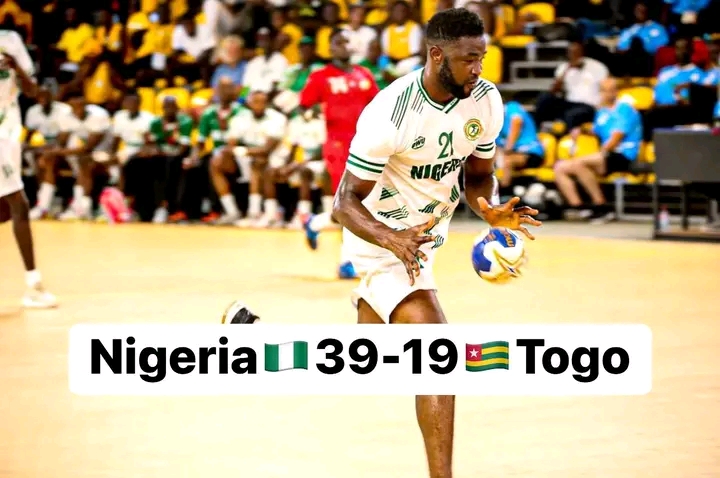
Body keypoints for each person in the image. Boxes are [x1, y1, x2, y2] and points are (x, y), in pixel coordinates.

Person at [228, 9, 541, 478]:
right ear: (437, 55)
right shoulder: (390, 112)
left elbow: (479, 176)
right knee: (439, 354)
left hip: (423, 239)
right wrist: (391, 239)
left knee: (364, 361)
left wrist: (491, 208)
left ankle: (255, 345)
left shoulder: (485, 100)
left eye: (482, 58)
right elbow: (344, 204)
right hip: (380, 236)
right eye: (468, 59)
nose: (478, 69)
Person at [298, 28, 380, 279]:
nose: (343, 46)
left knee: (362, 202)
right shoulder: (321, 76)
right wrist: (311, 116)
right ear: (331, 48)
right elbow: (304, 106)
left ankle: (315, 222)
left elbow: (379, 105)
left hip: (365, 143)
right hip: (337, 146)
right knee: (349, 200)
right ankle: (347, 262)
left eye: (347, 42)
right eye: (338, 42)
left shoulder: (364, 75)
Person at [0, 30, 57, 307]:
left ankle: (33, 285)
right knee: (18, 205)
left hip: (8, 133)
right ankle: (34, 285)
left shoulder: (10, 39)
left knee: (7, 210)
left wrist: (15, 65)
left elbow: (32, 91)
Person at [553, 77, 643, 223]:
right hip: (605, 155)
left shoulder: (625, 109)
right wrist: (581, 130)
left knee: (577, 163)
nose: (607, 94)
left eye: (611, 90)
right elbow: (596, 131)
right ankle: (579, 207)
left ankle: (601, 206)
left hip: (623, 155)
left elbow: (616, 138)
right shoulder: (602, 112)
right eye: (604, 91)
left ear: (616, 91)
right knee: (560, 168)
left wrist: (600, 153)